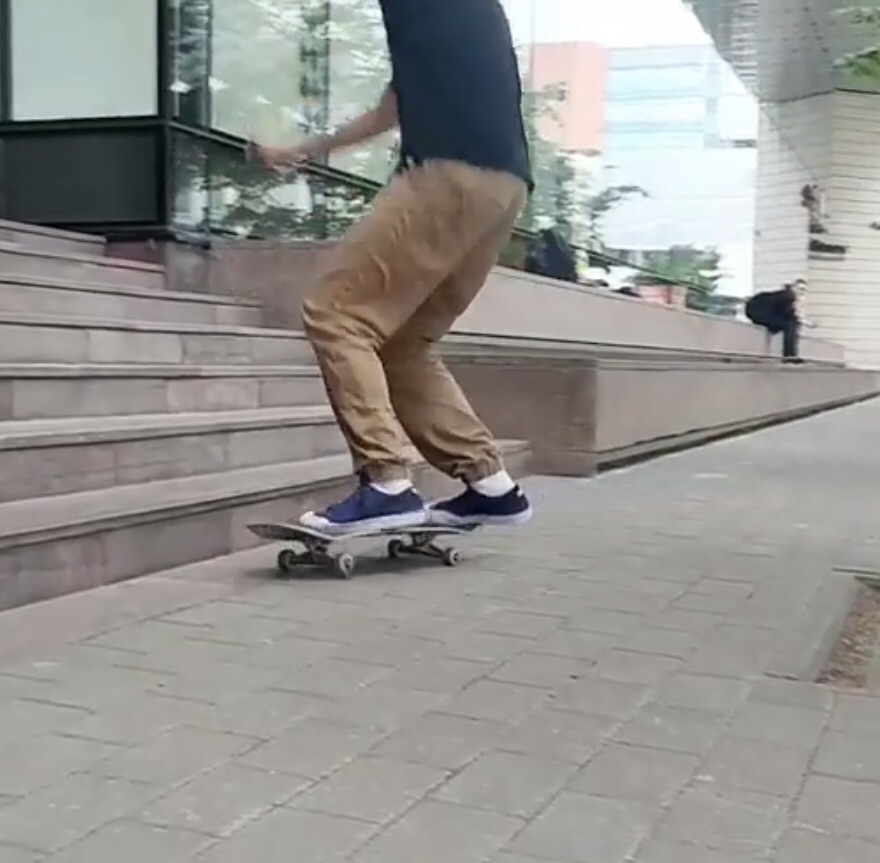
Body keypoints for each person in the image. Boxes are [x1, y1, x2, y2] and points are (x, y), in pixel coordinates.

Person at [254, 0, 533, 535]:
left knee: (337, 314)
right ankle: (490, 485)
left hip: (447, 177)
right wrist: (301, 150)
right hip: (502, 187)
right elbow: (393, 107)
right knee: (404, 342)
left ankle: (386, 484)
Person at [744, 279, 814, 362]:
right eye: (800, 289)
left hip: (758, 313)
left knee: (791, 323)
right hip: (759, 314)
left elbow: (787, 313)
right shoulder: (788, 296)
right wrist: (806, 323)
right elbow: (790, 315)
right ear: (793, 287)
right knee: (792, 325)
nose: (801, 292)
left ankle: (790, 355)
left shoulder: (784, 294)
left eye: (804, 290)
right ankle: (789, 355)